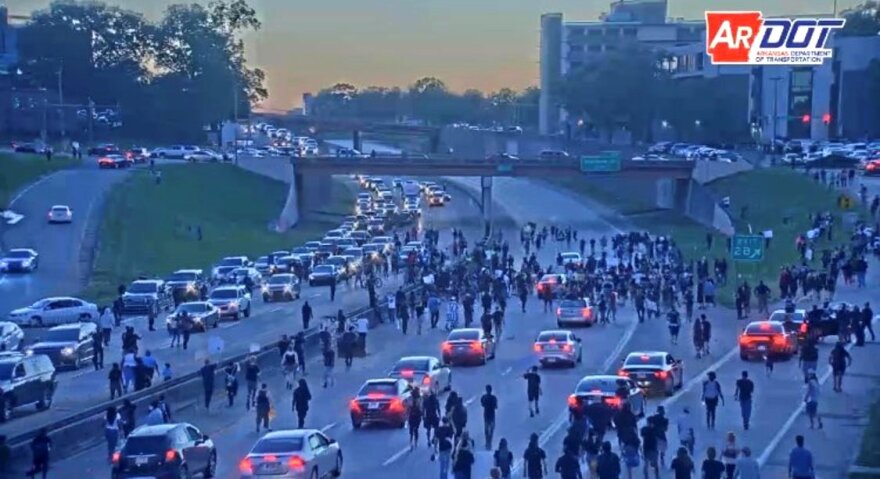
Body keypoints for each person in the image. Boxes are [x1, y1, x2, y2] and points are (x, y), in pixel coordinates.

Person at [481, 384, 498, 450]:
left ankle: (487, 442)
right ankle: (490, 442)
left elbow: (482, 404)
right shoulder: (494, 398)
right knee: (491, 429)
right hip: (492, 415)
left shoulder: (484, 397)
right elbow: (496, 407)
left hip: (486, 415)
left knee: (486, 429)